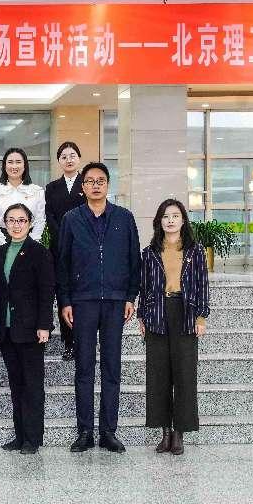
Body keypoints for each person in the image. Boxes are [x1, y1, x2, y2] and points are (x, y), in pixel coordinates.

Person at [57, 162, 141, 454]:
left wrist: (130, 296)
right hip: (82, 301)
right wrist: (65, 301)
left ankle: (108, 431)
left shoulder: (124, 218)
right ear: (82, 187)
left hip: (116, 301)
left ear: (108, 185)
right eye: (90, 181)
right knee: (84, 367)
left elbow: (133, 260)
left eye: (101, 180)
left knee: (111, 366)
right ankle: (84, 431)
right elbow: (63, 262)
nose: (95, 185)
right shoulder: (71, 219)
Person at [138, 198, 209, 456]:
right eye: (166, 216)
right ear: (159, 221)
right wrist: (142, 316)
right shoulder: (149, 252)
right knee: (158, 375)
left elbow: (202, 285)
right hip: (157, 313)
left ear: (183, 220)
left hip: (185, 313)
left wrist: (201, 317)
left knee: (184, 374)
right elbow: (144, 287)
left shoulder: (195, 251)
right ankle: (165, 432)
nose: (170, 220)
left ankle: (179, 433)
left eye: (175, 216)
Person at [0, 203, 55, 455]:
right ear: (4, 224)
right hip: (6, 330)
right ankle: (19, 437)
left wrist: (44, 325)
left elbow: (46, 292)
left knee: (32, 386)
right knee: (16, 385)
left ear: (29, 223)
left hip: (31, 330)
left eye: (21, 220)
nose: (16, 225)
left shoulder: (40, 253)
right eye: (11, 220)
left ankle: (33, 438)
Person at [45, 141, 87, 361]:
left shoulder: (86, 184)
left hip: (84, 249)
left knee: (82, 295)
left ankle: (84, 340)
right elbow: (49, 215)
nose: (68, 160)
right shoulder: (52, 187)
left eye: (72, 155)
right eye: (64, 156)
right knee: (64, 295)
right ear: (59, 161)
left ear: (79, 158)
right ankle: (68, 342)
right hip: (59, 249)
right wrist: (63, 236)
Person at [0, 147, 45, 248]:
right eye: (10, 162)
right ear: (4, 166)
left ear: (25, 165)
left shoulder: (37, 191)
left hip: (29, 242)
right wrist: (2, 244)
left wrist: (31, 244)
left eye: (18, 162)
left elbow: (40, 221)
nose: (14, 166)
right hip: (1, 241)